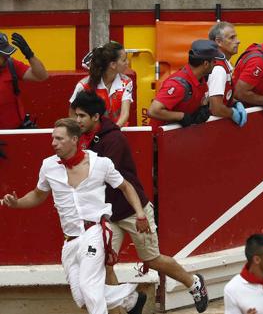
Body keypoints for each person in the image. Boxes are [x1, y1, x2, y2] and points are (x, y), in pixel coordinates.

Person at [70, 91, 209, 312]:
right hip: (109, 214)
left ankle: (194, 282)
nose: (77, 121)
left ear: (96, 117)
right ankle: (128, 304)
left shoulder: (113, 139)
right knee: (104, 265)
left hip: (133, 211)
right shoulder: (87, 137)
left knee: (152, 259)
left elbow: (101, 177)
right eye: (76, 116)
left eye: (81, 116)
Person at [0, 118, 148, 314]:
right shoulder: (49, 166)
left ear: (74, 139)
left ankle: (127, 300)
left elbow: (125, 186)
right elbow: (38, 195)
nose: (53, 143)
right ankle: (131, 299)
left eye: (59, 139)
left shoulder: (100, 163)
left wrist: (139, 213)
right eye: (53, 138)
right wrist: (17, 204)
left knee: (90, 288)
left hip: (95, 230)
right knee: (82, 297)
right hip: (70, 240)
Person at [148, 39, 216, 127]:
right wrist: (182, 116)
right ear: (206, 64)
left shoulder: (201, 80)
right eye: (214, 61)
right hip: (160, 137)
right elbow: (153, 111)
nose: (216, 64)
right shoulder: (178, 85)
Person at [69, 41, 133, 127]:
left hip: (117, 131)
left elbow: (124, 114)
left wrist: (113, 131)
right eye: (124, 60)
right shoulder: (84, 85)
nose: (127, 62)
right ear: (113, 65)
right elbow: (72, 114)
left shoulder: (127, 82)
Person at [0, 32, 48, 129]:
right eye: (3, 54)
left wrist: (29, 54)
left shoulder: (10, 64)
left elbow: (41, 76)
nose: (7, 57)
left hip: (14, 132)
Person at [207, 22, 247, 126]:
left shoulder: (224, 64)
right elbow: (216, 108)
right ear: (218, 42)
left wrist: (235, 103)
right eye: (232, 38)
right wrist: (232, 113)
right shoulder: (219, 69)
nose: (238, 41)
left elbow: (223, 96)